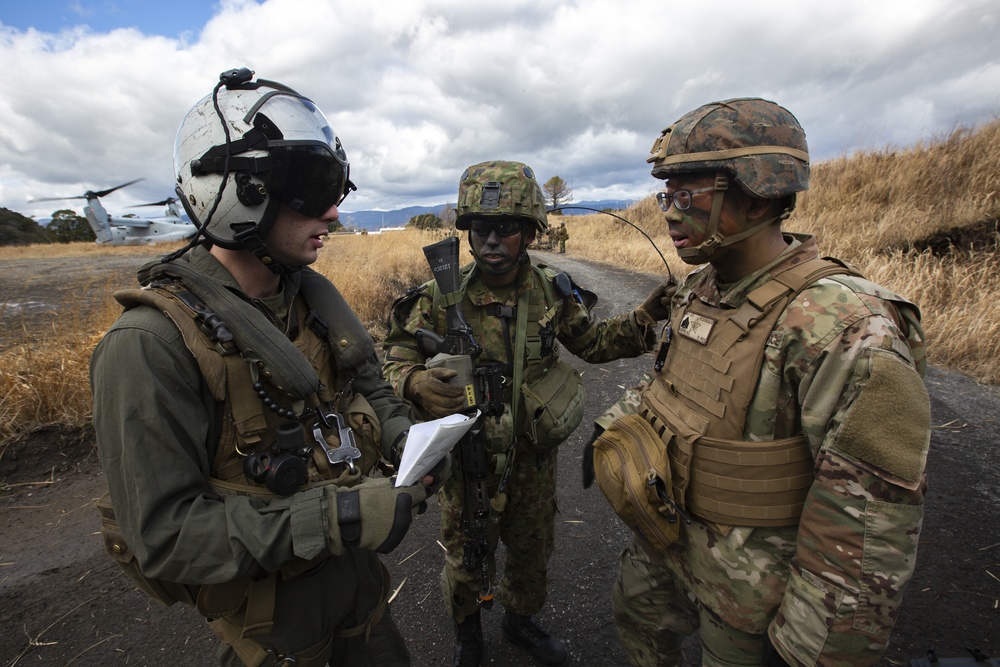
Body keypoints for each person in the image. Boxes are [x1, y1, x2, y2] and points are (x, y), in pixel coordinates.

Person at [91, 68, 445, 667]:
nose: (333, 214)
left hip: (365, 608)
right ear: (237, 191)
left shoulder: (312, 303)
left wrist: (409, 440)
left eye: (338, 187)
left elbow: (370, 393)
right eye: (311, 189)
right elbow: (166, 535)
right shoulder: (149, 345)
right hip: (277, 642)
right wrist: (342, 516)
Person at [584, 97, 931, 666]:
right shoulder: (700, 290)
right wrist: (616, 429)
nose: (669, 212)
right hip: (669, 543)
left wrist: (808, 649)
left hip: (754, 594)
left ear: (756, 196)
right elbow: (671, 391)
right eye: (665, 195)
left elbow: (866, 525)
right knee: (639, 628)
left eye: (687, 195)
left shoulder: (844, 326)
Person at [382, 160, 674, 667]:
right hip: (465, 453)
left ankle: (520, 621)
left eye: (508, 229)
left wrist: (646, 318)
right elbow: (392, 355)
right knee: (466, 547)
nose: (493, 241)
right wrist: (413, 381)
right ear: (468, 234)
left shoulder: (550, 290)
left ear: (530, 232)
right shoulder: (438, 294)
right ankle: (467, 632)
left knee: (531, 547)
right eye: (482, 229)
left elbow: (595, 343)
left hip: (531, 457)